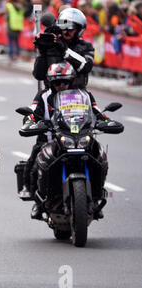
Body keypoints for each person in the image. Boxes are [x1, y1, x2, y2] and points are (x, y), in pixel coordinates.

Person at [22, 61, 113, 220]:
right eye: (56, 82)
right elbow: (32, 113)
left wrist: (106, 121)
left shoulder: (84, 95)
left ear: (71, 80)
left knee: (99, 157)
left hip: (81, 137)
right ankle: (38, 201)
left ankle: (97, 195)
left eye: (64, 81)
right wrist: (30, 122)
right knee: (33, 166)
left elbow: (98, 113)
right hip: (50, 139)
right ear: (50, 82)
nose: (60, 85)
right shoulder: (43, 96)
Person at [33, 7, 95, 89]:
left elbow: (86, 66)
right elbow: (38, 75)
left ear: (79, 29)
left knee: (91, 100)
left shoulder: (86, 47)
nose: (66, 32)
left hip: (78, 93)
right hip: (51, 93)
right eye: (63, 27)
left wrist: (64, 49)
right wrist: (42, 52)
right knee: (37, 101)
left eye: (70, 28)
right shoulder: (52, 44)